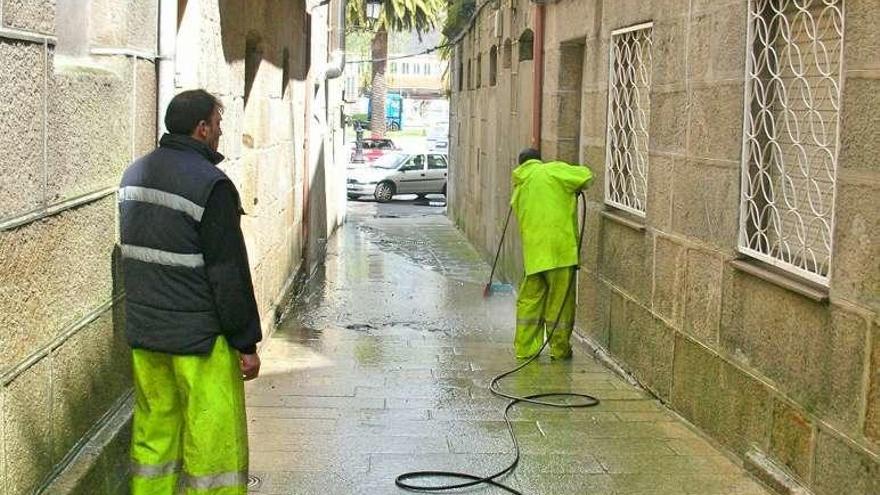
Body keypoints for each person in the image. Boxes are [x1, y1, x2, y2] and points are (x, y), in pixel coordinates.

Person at [118, 89, 262, 494]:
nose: (220, 132)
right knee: (214, 447)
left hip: (148, 337)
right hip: (201, 342)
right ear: (201, 129)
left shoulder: (133, 175)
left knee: (154, 437)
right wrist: (245, 342)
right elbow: (227, 273)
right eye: (218, 124)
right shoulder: (210, 185)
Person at [510, 148, 593, 360]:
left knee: (530, 301)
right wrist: (571, 188)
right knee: (560, 303)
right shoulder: (552, 171)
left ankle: (525, 349)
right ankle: (559, 349)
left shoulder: (519, 187)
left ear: (521, 165)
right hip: (560, 252)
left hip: (534, 256)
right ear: (539, 160)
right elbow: (586, 175)